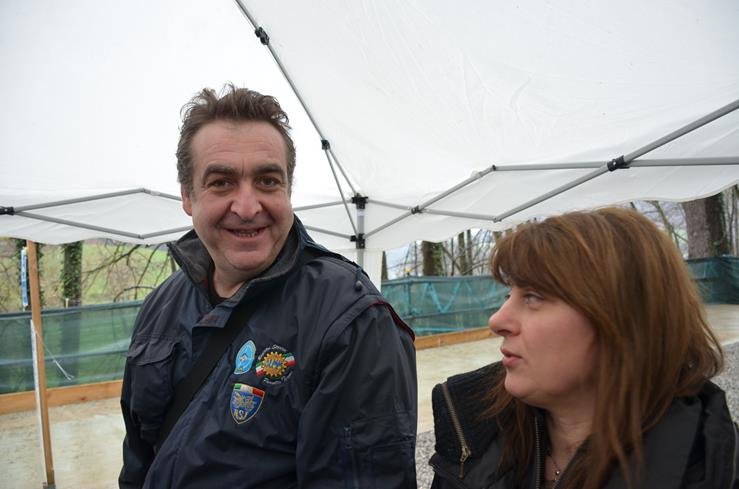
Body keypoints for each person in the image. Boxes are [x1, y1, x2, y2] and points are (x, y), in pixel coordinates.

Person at [119, 84, 417, 489]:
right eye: (221, 183)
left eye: (267, 181)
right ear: (188, 196)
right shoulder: (162, 306)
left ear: (288, 191)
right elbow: (138, 463)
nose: (247, 207)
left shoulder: (350, 319)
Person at [429, 208, 738, 489]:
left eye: (534, 296)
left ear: (625, 316)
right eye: (508, 295)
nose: (497, 320)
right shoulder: (469, 434)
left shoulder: (713, 470)